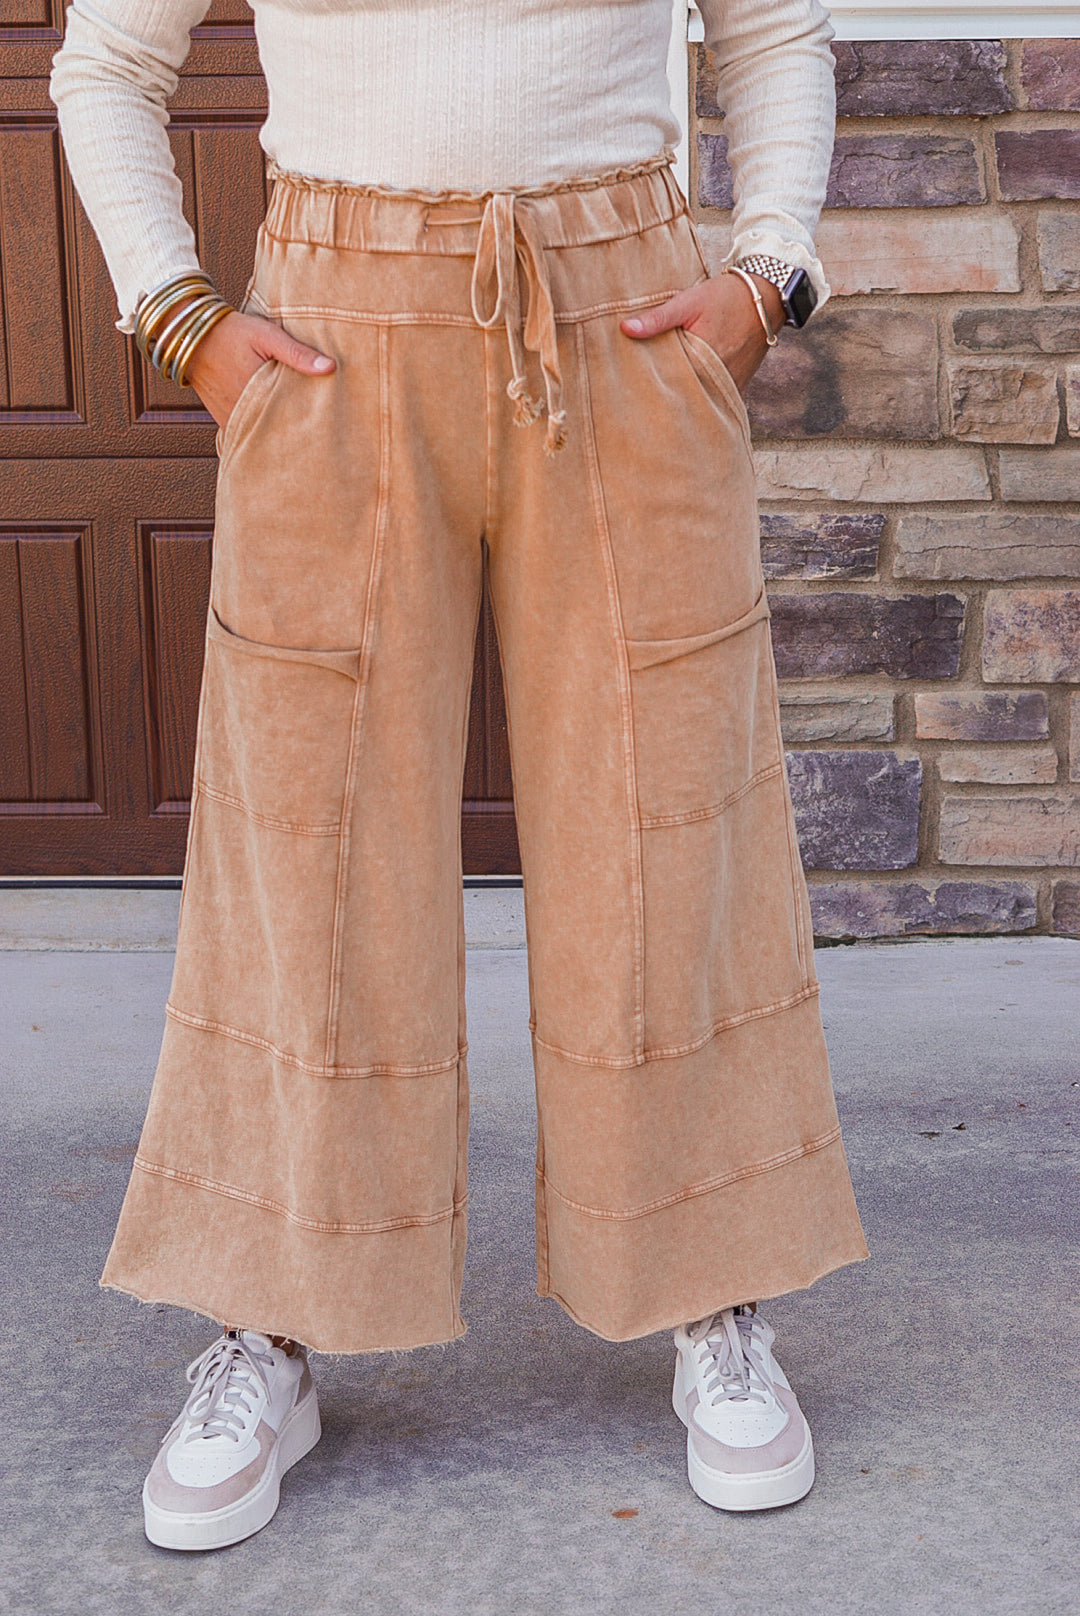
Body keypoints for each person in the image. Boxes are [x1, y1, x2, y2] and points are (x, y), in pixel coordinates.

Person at [50, 0, 867, 1551]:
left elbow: (776, 27)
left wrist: (768, 274)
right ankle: (272, 1322)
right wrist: (182, 318)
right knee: (309, 834)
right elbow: (108, 60)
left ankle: (707, 1291)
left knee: (665, 813)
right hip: (334, 342)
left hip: (625, 315)